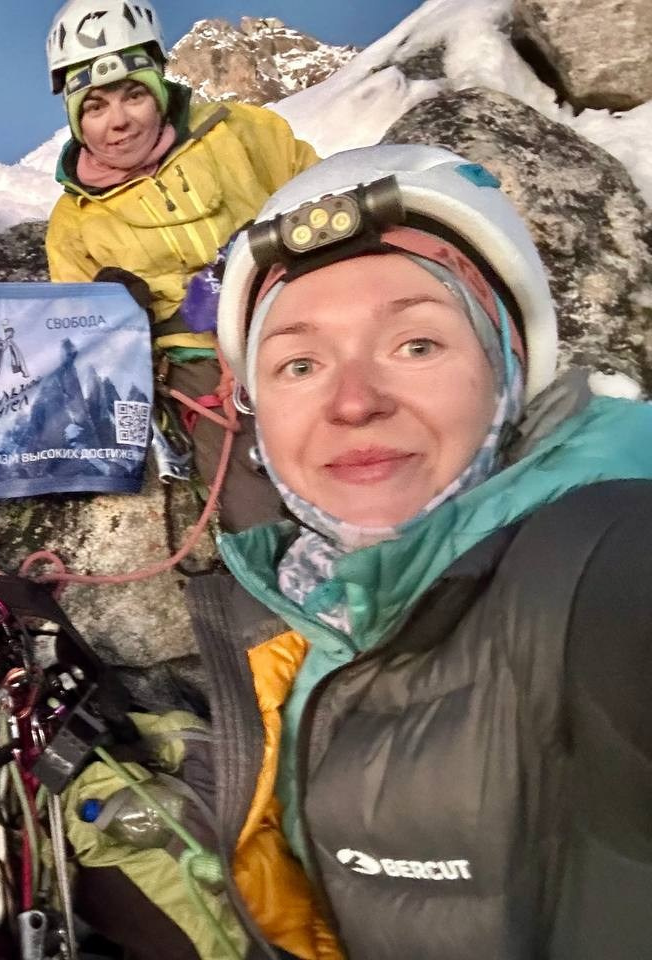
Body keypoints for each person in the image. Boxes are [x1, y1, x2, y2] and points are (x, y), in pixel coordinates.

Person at [200, 143, 652, 958]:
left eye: (416, 345)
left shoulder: (600, 558)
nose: (354, 402)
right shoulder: (313, 607)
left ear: (509, 363)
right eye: (299, 364)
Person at [44, 0, 319, 531]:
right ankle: (279, 590)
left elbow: (324, 194)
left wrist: (273, 248)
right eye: (95, 106)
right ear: (75, 117)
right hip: (197, 363)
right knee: (244, 482)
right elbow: (79, 347)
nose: (118, 121)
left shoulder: (244, 133)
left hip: (300, 314)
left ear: (159, 87)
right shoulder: (73, 222)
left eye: (134, 94)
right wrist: (116, 318)